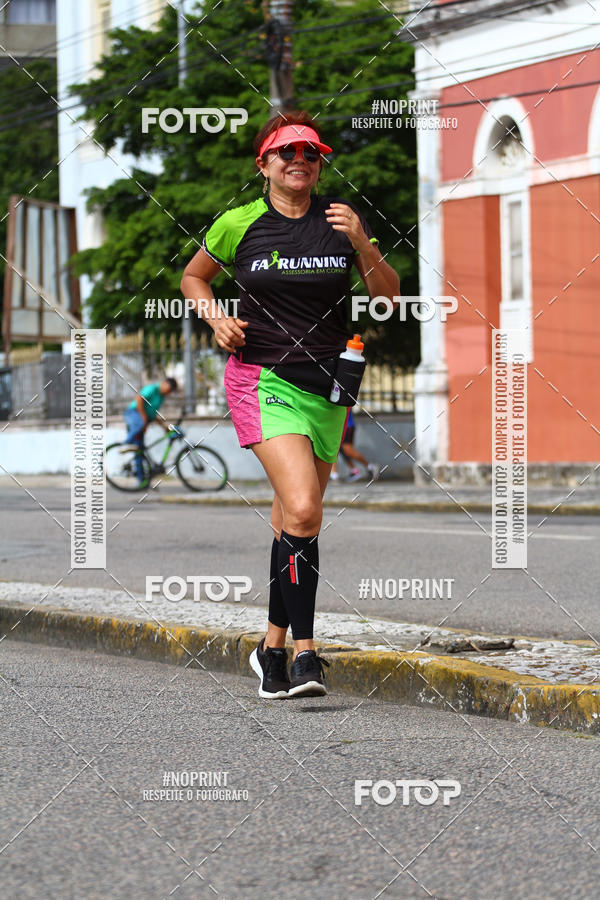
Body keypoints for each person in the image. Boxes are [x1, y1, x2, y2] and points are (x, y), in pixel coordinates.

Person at [181, 111, 399, 699]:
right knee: (304, 510)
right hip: (263, 379)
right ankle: (307, 653)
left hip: (330, 388)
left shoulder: (340, 223)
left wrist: (359, 240)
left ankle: (269, 651)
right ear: (265, 165)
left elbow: (389, 293)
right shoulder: (239, 222)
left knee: (290, 524)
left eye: (311, 152)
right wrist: (216, 317)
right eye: (287, 153)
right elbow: (193, 278)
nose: (299, 160)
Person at [123, 377, 178, 486]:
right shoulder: (152, 389)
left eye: (171, 391)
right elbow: (139, 399)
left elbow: (153, 413)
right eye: (170, 389)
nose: (169, 392)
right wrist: (143, 418)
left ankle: (142, 482)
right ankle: (125, 444)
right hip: (133, 414)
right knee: (138, 427)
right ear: (164, 383)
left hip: (143, 421)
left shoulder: (161, 397)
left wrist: (164, 427)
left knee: (140, 450)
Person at [331, 409, 380, 482]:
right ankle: (353, 471)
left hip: (346, 426)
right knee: (338, 449)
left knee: (348, 450)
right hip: (339, 425)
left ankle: (371, 467)